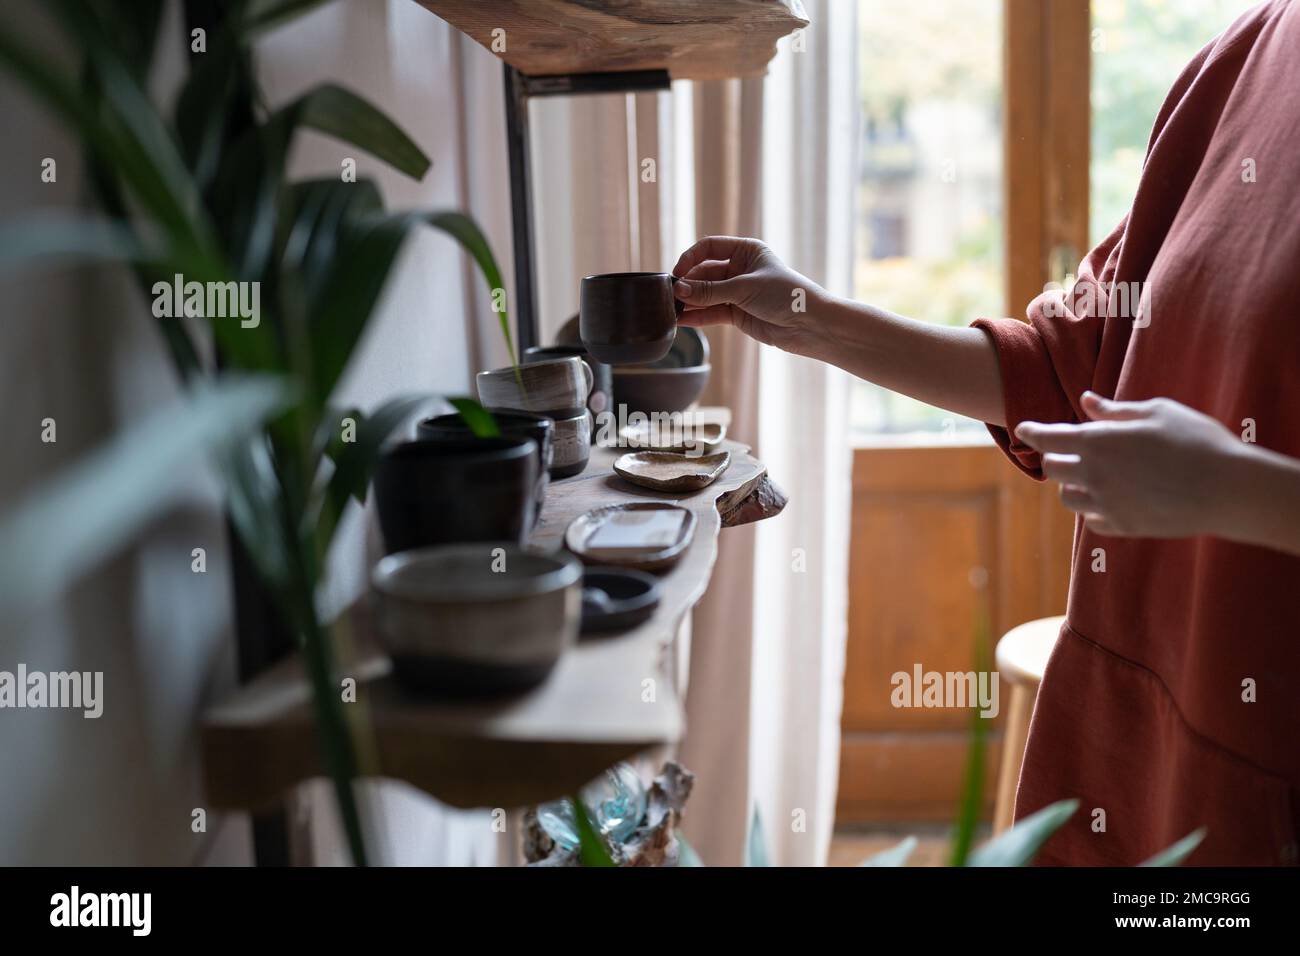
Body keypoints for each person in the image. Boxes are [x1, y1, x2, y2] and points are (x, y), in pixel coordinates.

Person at [671, 0, 1300, 866]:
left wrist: (1235, 492)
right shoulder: (1250, 50)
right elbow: (1059, 367)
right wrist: (809, 315)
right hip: (1139, 744)